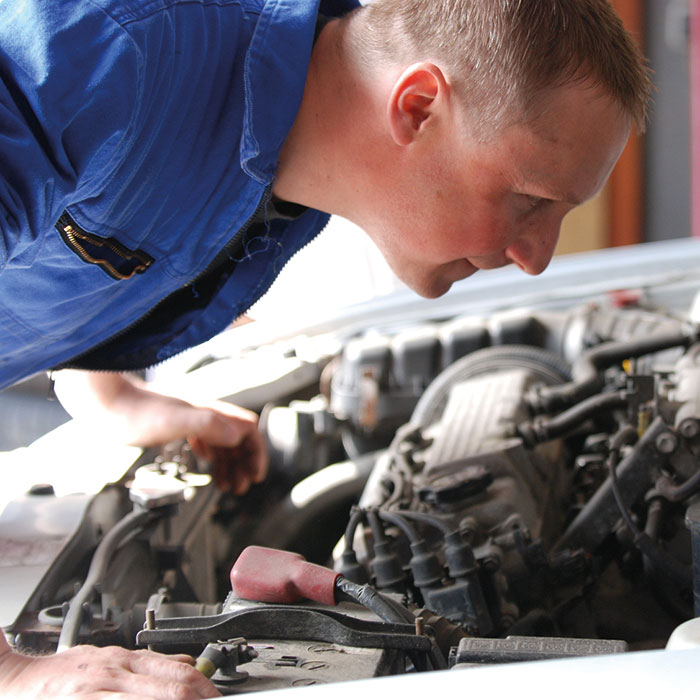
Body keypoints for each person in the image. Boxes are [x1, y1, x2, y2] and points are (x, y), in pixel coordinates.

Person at [0, 0, 651, 697]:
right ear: (419, 105)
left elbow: (102, 225)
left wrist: (110, 393)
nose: (536, 258)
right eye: (530, 200)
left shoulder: (300, 137)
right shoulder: (116, 49)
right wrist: (16, 674)